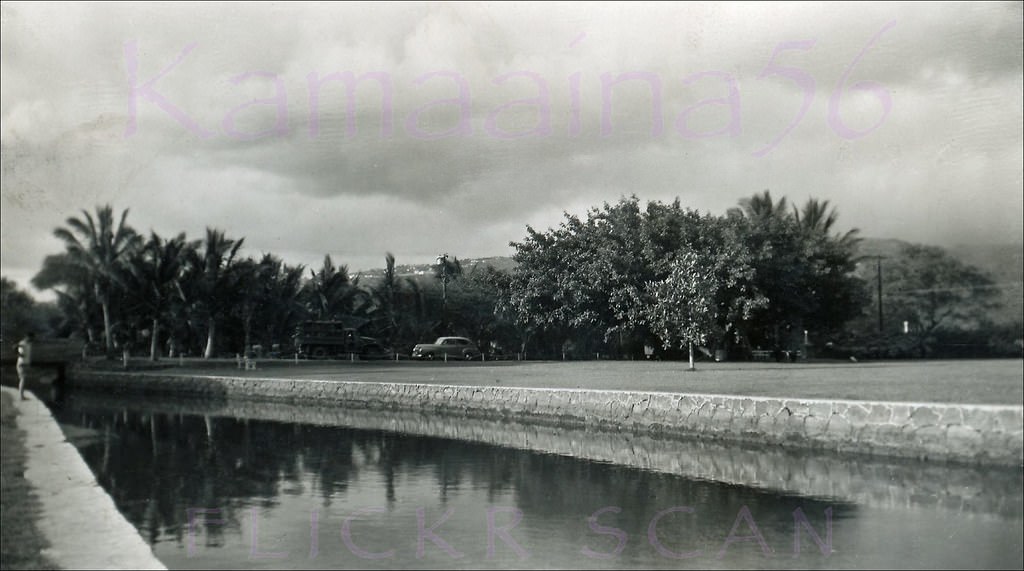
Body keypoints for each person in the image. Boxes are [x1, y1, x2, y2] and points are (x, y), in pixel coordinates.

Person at [16, 333, 34, 400]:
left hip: (25, 364)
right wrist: (19, 355)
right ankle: (21, 397)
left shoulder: (29, 343)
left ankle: (22, 396)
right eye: (31, 338)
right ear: (27, 337)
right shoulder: (22, 343)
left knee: (24, 380)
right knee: (22, 380)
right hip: (22, 364)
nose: (32, 339)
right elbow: (14, 347)